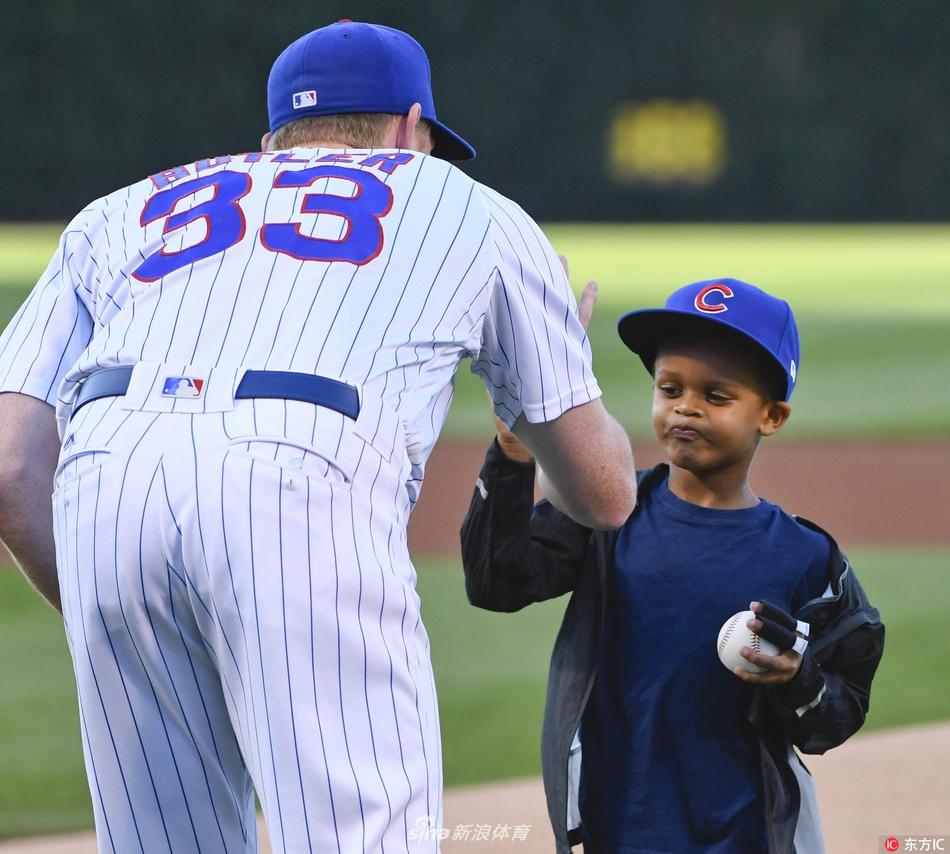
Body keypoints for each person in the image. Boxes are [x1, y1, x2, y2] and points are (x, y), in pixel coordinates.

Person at [0, 20, 636, 854]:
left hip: (105, 486)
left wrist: (104, 602)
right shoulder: (461, 201)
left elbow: (12, 469)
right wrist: (539, 388)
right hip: (297, 484)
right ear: (415, 129)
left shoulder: (117, 213)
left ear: (271, 142)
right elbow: (604, 492)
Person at [460, 278, 885, 853]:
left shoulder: (808, 557)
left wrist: (799, 676)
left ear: (772, 415)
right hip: (618, 834)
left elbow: (837, 714)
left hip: (745, 839)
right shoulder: (608, 512)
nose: (686, 405)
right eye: (670, 387)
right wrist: (513, 450)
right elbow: (497, 583)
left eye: (717, 395)